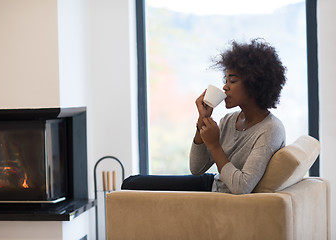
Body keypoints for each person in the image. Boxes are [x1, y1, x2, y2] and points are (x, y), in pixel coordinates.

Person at [122, 39, 287, 194]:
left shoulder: (270, 129)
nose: (225, 87)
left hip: (219, 192)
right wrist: (202, 121)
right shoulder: (230, 120)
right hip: (213, 183)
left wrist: (215, 146)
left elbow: (242, 186)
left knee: (133, 186)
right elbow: (196, 168)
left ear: (254, 85)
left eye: (232, 81)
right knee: (131, 183)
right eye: (226, 80)